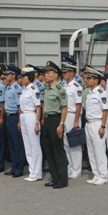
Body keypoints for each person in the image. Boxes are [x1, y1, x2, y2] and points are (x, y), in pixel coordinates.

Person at [41, 60, 68, 189]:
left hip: (56, 120)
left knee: (58, 151)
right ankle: (54, 177)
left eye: (48, 73)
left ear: (56, 75)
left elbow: (64, 108)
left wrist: (61, 124)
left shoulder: (60, 89)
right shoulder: (47, 88)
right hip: (47, 120)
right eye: (45, 73)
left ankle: (62, 179)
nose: (46, 75)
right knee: (49, 151)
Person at [83, 67, 108, 185]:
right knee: (91, 151)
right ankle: (96, 174)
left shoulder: (101, 93)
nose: (86, 80)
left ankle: (103, 176)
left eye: (89, 78)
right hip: (89, 123)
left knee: (99, 150)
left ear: (96, 80)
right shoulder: (89, 93)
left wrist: (102, 126)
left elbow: (105, 110)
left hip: (98, 123)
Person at [18, 67, 43, 182]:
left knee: (34, 145)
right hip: (24, 116)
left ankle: (37, 173)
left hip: (31, 116)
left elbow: (38, 107)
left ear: (29, 77)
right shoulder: (24, 90)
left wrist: (37, 123)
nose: (22, 79)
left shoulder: (34, 89)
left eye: (24, 76)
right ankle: (32, 171)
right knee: (27, 145)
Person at [62, 62, 84, 179]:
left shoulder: (77, 87)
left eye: (66, 72)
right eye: (63, 72)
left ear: (72, 73)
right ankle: (70, 167)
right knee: (66, 144)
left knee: (74, 143)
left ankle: (77, 169)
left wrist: (76, 121)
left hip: (73, 115)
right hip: (65, 115)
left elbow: (78, 105)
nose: (64, 74)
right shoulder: (64, 86)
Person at [2, 65, 25, 178]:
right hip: (8, 116)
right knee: (11, 144)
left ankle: (19, 169)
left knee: (17, 144)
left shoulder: (17, 89)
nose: (5, 77)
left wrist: (20, 121)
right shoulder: (8, 87)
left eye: (7, 75)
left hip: (15, 117)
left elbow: (19, 106)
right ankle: (14, 166)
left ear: (13, 75)